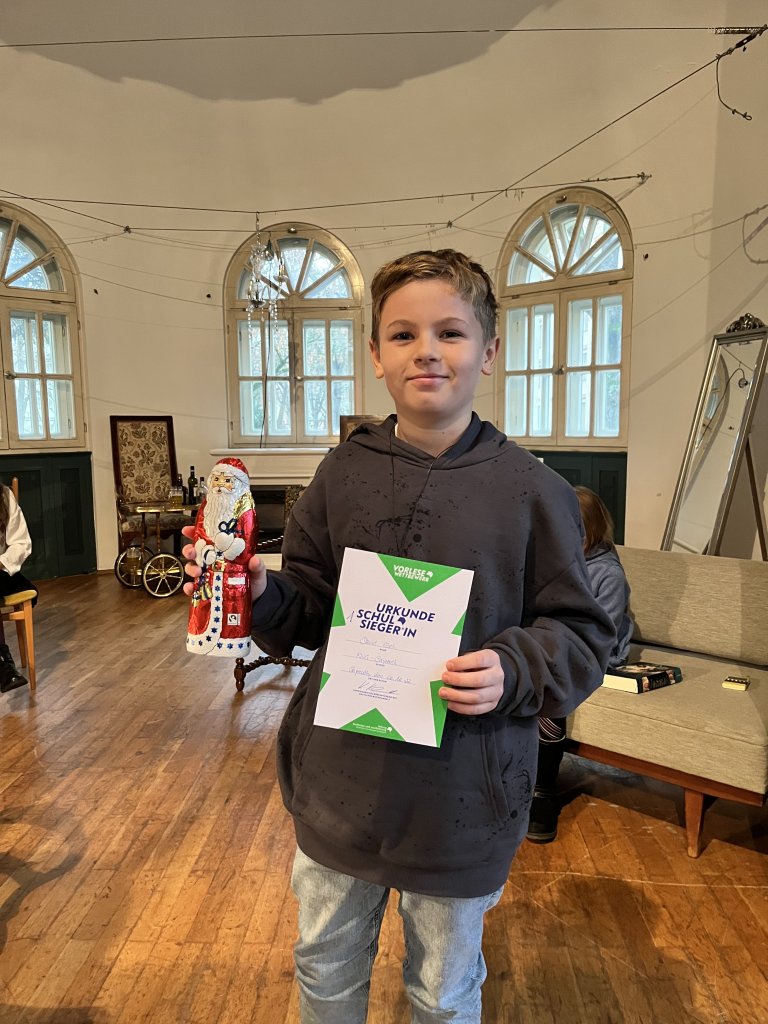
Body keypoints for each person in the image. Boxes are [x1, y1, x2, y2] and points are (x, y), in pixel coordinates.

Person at [184, 249, 615, 1023]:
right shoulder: (341, 476)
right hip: (340, 790)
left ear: (489, 351)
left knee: (442, 995)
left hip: (464, 798)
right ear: (376, 354)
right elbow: (307, 608)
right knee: (324, 969)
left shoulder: (534, 491)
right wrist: (258, 590)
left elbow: (584, 636)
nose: (427, 351)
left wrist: (514, 668)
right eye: (404, 334)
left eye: (450, 332)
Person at [526, 484, 632, 844]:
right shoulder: (557, 562)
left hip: (598, 652)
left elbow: (602, 634)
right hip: (557, 642)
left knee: (548, 682)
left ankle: (543, 790)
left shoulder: (608, 575)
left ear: (592, 531)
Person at [185, 456, 258, 658]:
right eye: (216, 479)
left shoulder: (246, 510)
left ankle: (231, 642)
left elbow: (248, 542)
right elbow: (199, 532)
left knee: (232, 616)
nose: (220, 485)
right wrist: (202, 550)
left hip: (233, 576)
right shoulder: (207, 507)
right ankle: (200, 639)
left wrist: (230, 548)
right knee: (204, 610)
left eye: (227, 480)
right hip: (207, 574)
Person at [0, 481, 37, 693]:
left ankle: (3, 663)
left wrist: (1, 562)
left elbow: (21, 543)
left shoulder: (3, 495)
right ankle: (3, 663)